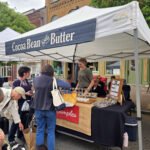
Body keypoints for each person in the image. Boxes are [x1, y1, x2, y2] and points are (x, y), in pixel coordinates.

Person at [32, 64, 70, 150]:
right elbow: (68, 86)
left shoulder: (35, 79)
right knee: (50, 131)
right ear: (52, 72)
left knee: (40, 130)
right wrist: (56, 79)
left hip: (38, 108)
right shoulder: (53, 80)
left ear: (42, 71)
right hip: (50, 109)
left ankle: (39, 149)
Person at [8, 66, 33, 143]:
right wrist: (26, 93)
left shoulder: (26, 81)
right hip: (19, 104)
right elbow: (15, 92)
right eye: (29, 72)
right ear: (24, 73)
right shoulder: (16, 82)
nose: (30, 74)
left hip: (27, 103)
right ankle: (11, 138)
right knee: (16, 121)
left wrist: (31, 92)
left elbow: (29, 89)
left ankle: (21, 135)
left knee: (25, 120)